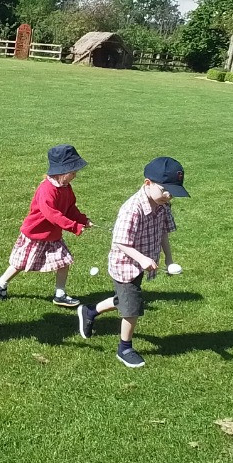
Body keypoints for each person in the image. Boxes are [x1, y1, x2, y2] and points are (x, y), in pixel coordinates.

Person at [77, 157, 189, 368]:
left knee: (125, 300)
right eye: (166, 190)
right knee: (132, 308)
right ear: (148, 183)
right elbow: (120, 242)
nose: (169, 195)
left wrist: (170, 259)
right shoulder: (132, 209)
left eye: (173, 192)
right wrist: (143, 258)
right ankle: (124, 348)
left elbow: (164, 233)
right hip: (125, 265)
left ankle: (89, 311)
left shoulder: (163, 206)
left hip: (141, 264)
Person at [0, 144, 92, 307]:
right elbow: (53, 215)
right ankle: (1, 282)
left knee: (64, 261)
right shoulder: (47, 189)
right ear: (61, 172)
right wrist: (75, 227)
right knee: (20, 264)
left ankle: (60, 294)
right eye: (72, 171)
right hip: (35, 234)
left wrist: (82, 219)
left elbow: (70, 208)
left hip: (52, 235)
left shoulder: (66, 188)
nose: (75, 174)